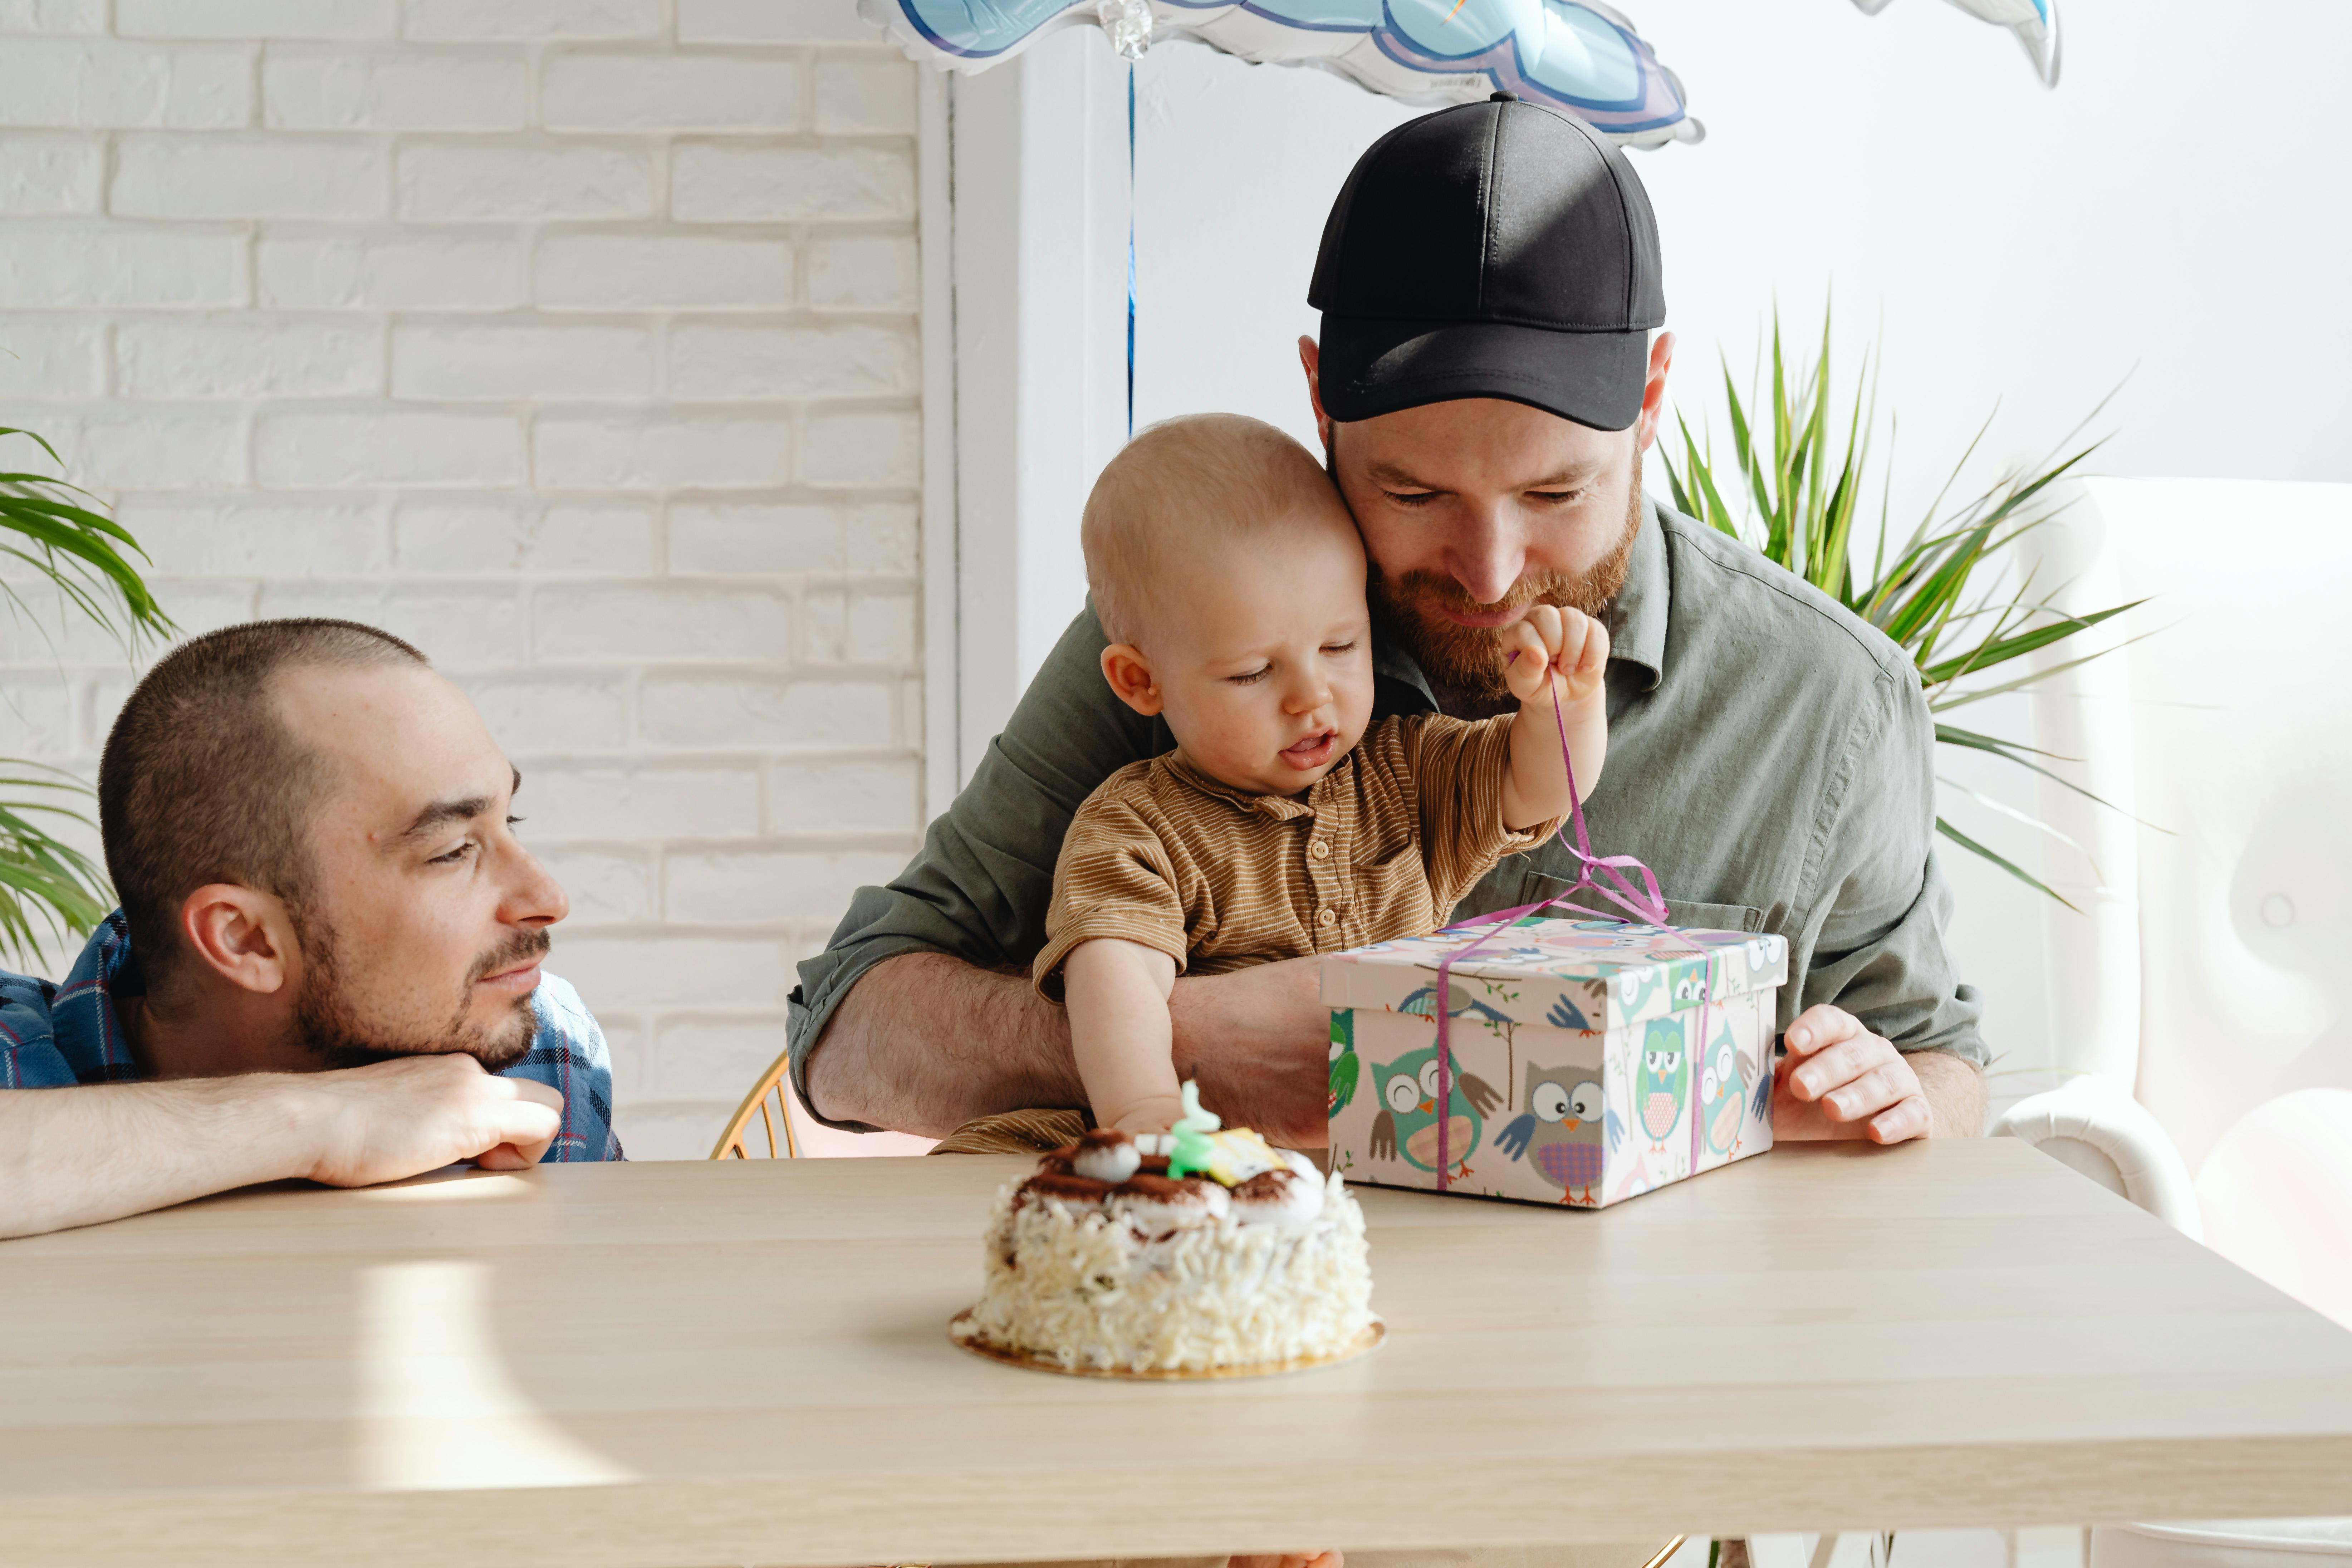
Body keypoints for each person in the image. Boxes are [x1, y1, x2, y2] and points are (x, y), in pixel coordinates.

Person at [790, 94, 1988, 1152]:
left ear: (1652, 398)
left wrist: (1899, 1099)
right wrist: (1168, 1056)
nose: (1489, 571)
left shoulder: (1828, 699)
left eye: (1554, 494)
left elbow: (1943, 1068)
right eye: (1413, 496)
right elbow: (847, 1026)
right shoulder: (1212, 635)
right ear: (1318, 395)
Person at [1040, 413, 1607, 1139]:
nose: (1312, 697)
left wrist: (1568, 705)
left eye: (1340, 645)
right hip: (1213, 1158)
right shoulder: (1137, 831)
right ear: (1140, 680)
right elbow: (1114, 985)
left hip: (1398, 1155)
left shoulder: (1408, 771)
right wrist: (1147, 1115)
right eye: (1252, 672)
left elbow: (1541, 788)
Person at [0, 618, 621, 1241]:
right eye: (453, 851)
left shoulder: (541, 1047)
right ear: (246, 940)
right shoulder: (12, 1060)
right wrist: (317, 1122)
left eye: (509, 819)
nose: (549, 901)